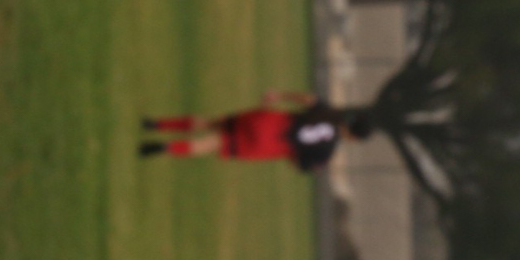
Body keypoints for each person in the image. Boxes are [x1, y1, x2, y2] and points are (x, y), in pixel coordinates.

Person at [140, 95, 365, 168]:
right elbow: (301, 164)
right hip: (268, 145)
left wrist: (281, 95)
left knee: (211, 124)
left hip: (266, 122)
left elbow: (307, 99)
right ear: (354, 138)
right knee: (211, 143)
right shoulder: (326, 153)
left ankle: (156, 124)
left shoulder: (330, 112)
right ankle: (164, 147)